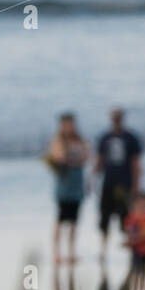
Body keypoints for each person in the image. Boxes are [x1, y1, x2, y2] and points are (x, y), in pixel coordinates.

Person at [93, 108, 143, 263]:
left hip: (125, 184)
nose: (116, 120)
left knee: (127, 217)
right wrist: (92, 179)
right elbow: (99, 161)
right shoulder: (104, 138)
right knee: (105, 217)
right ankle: (103, 250)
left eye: (118, 117)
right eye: (114, 118)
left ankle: (133, 248)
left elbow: (136, 163)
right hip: (108, 183)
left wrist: (136, 185)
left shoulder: (131, 138)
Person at [45, 113, 91, 264]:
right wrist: (72, 159)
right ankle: (57, 252)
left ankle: (71, 252)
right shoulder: (58, 140)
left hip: (77, 184)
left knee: (74, 221)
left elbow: (86, 156)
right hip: (64, 185)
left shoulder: (79, 140)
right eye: (65, 124)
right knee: (61, 219)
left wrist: (71, 159)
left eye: (70, 124)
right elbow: (58, 158)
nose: (68, 127)